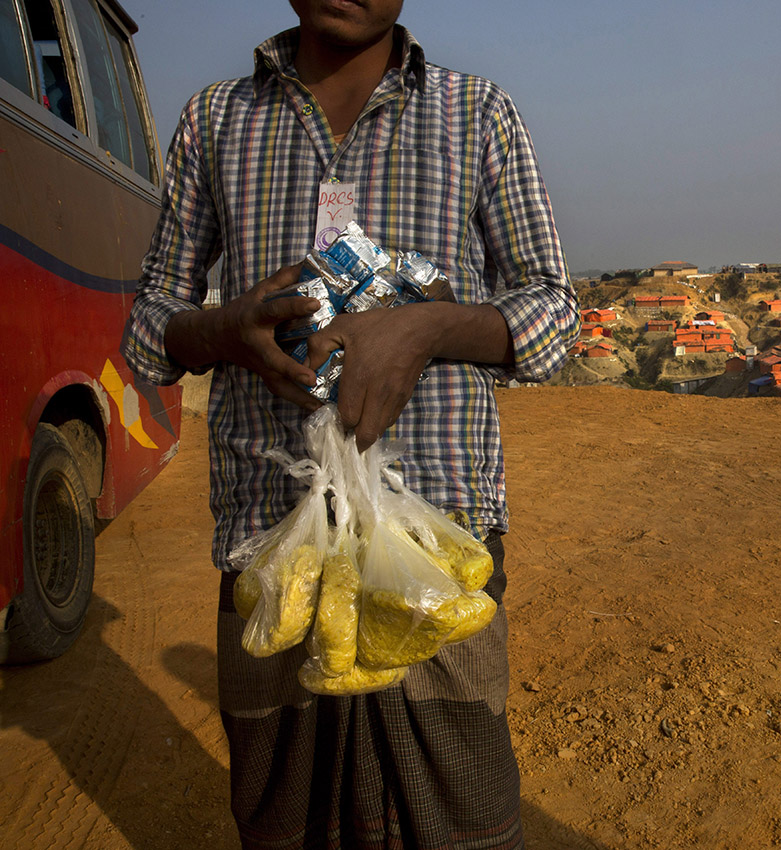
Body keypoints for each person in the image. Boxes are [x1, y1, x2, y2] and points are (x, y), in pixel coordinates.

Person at [121, 1, 580, 847]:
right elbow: (150, 323)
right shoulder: (216, 119)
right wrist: (226, 330)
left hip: (437, 540)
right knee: (285, 819)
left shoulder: (477, 112)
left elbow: (553, 313)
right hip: (273, 544)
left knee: (462, 818)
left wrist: (432, 328)